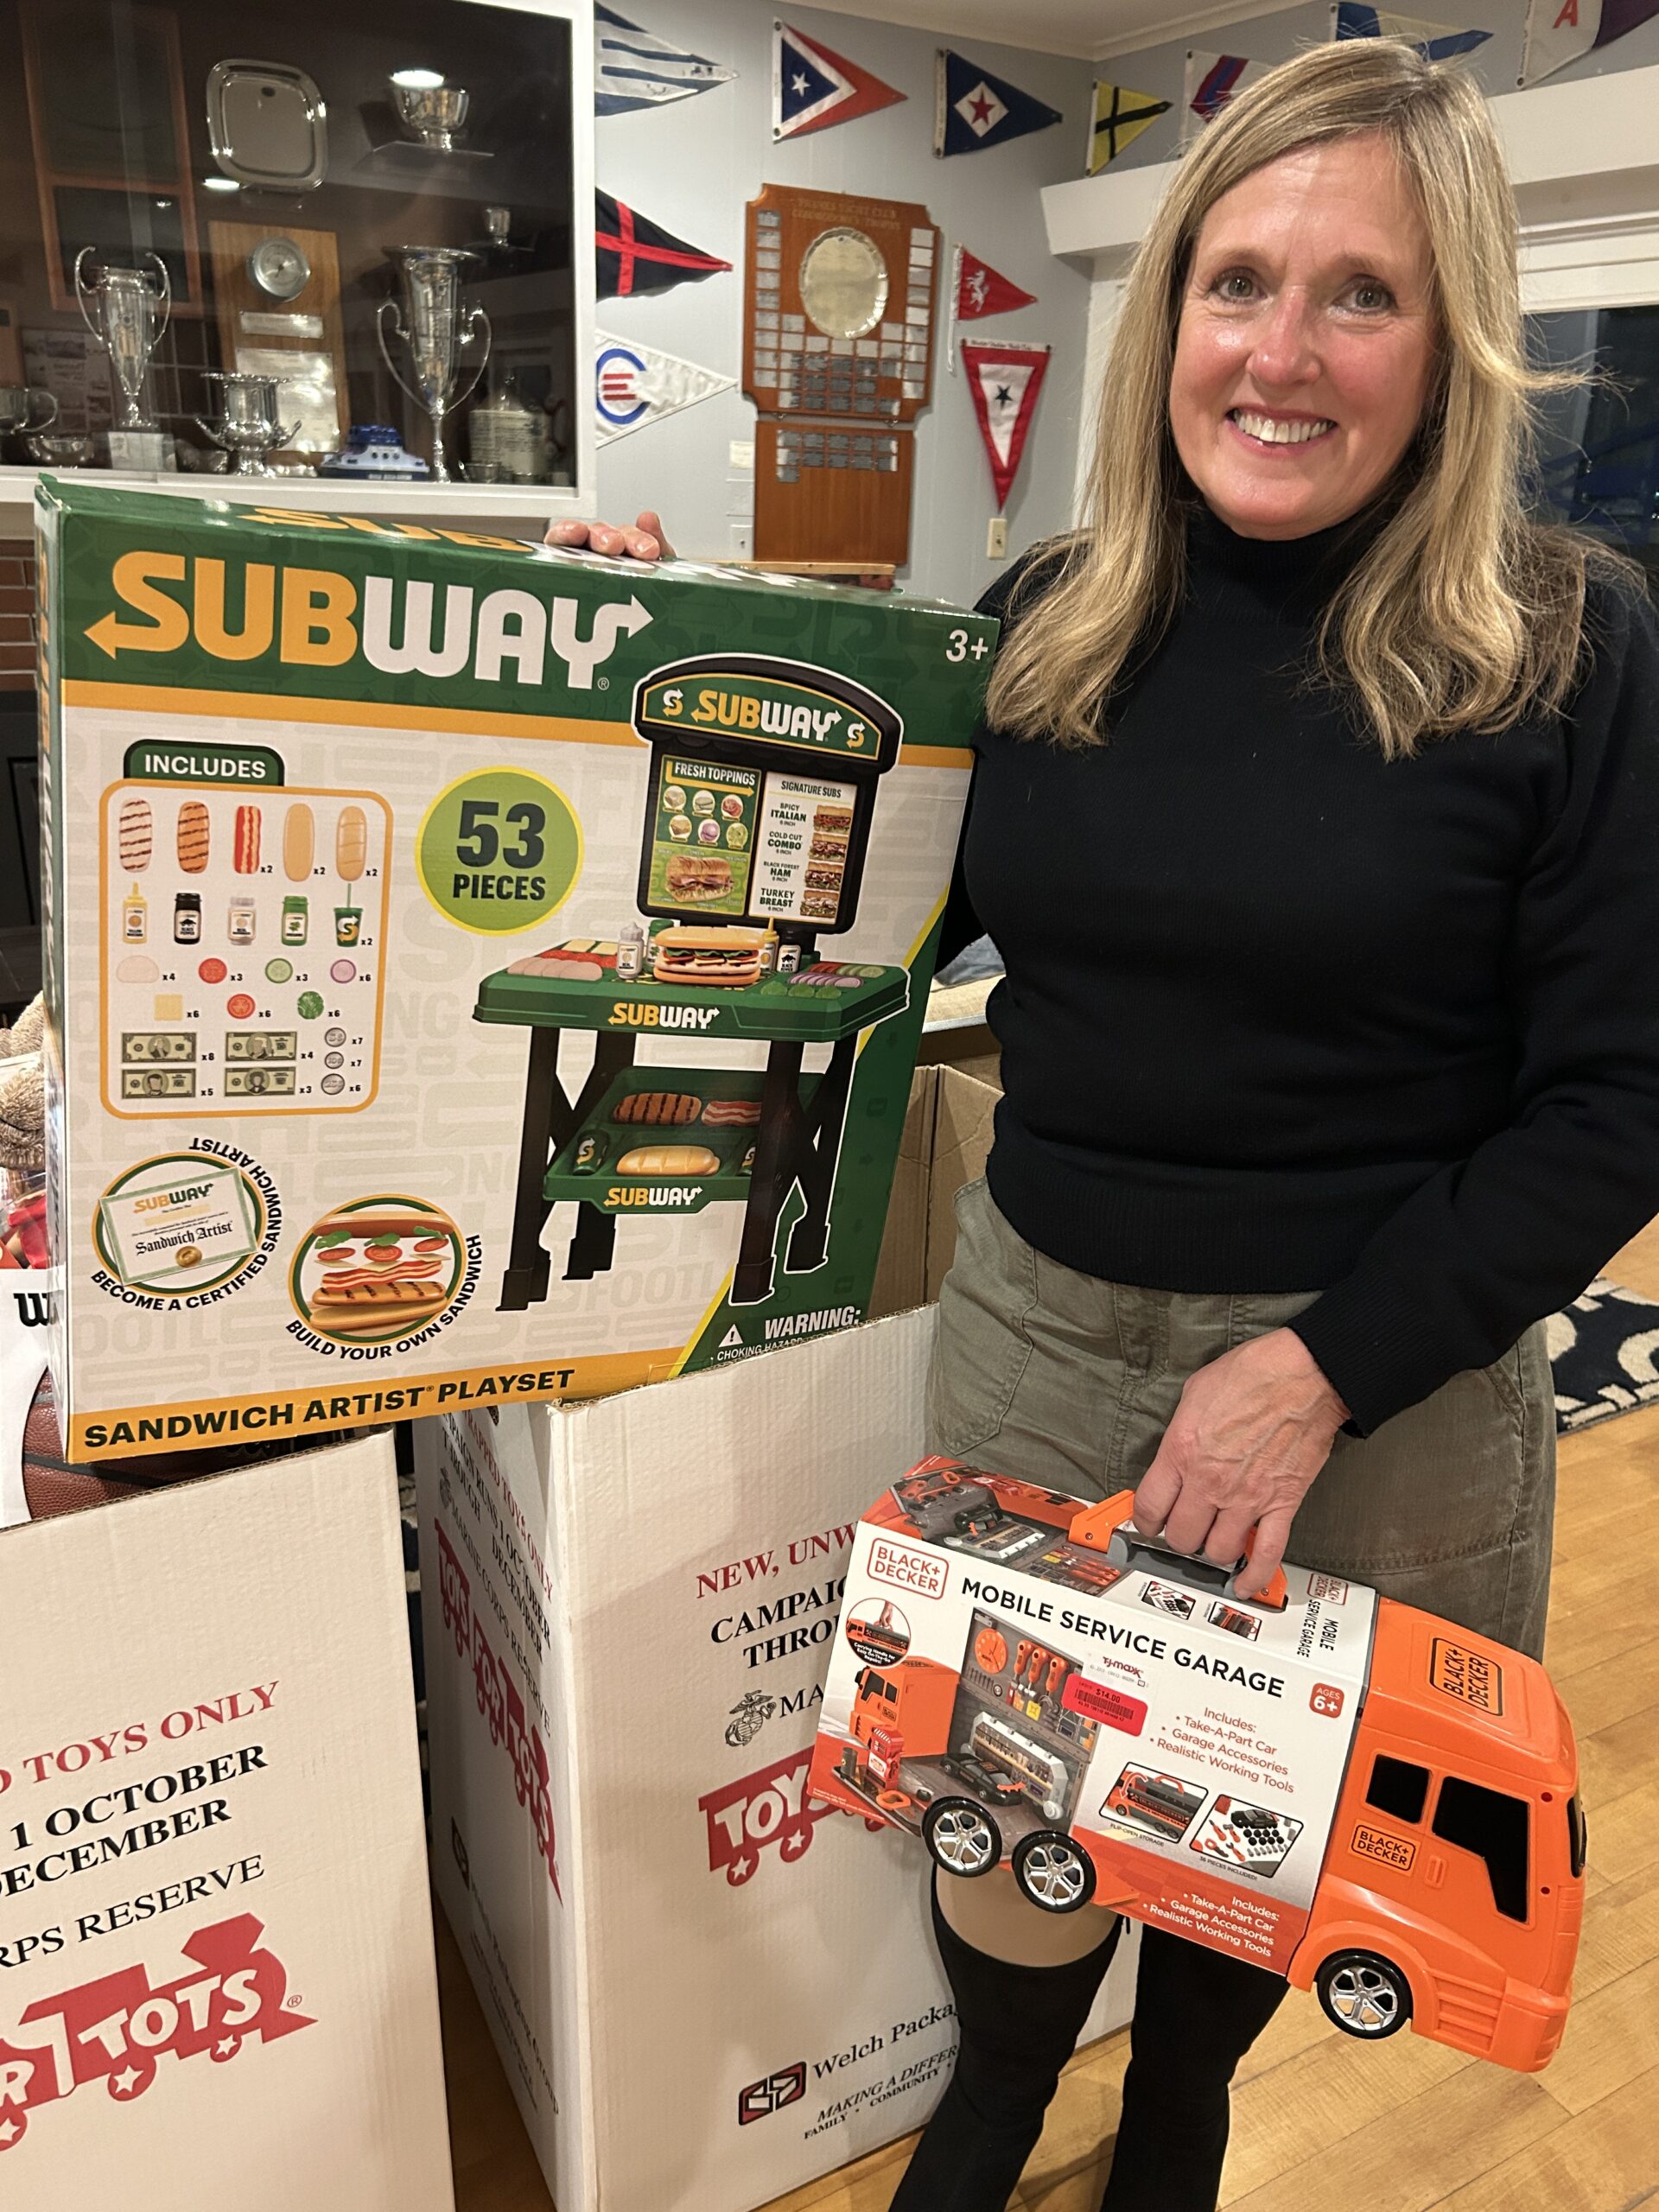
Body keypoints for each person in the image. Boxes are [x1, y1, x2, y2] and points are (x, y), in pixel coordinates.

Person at [550, 39, 1659, 2210]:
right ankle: (994, 2099)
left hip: (1379, 1378)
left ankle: (1180, 2115)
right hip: (1040, 1333)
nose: (1282, 350)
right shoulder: (1046, 622)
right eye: (1238, 281)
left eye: (1363, 293)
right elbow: (829, 925)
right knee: (1011, 1799)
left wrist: (1320, 1368)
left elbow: (1623, 1095)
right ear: (1167, 322)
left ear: (1452, 342)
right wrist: (642, 647)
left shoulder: (1566, 650)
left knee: (1264, 1815)